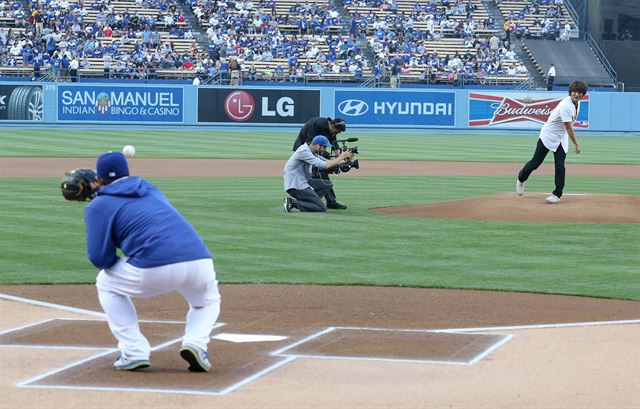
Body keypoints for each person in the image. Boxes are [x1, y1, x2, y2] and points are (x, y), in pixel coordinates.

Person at [85, 152, 221, 371]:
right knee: (207, 301)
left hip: (153, 267)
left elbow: (100, 258)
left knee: (105, 282)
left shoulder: (99, 205)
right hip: (200, 260)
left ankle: (133, 351)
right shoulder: (149, 188)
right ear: (128, 172)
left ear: (99, 179)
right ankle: (196, 343)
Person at [516, 80, 588, 204]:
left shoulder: (577, 103)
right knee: (535, 162)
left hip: (561, 137)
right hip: (548, 135)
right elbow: (568, 127)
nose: (576, 94)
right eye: (574, 92)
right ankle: (521, 179)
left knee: (560, 165)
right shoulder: (566, 105)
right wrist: (576, 144)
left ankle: (557, 194)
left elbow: (567, 127)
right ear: (570, 92)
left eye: (580, 92)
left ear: (583, 94)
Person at [284, 135, 354, 212]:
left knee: (327, 184)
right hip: (296, 186)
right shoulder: (303, 152)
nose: (324, 149)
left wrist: (346, 161)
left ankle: (308, 204)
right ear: (318, 145)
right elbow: (325, 165)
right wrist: (341, 157)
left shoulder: (311, 152)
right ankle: (293, 203)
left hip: (304, 182)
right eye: (324, 147)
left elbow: (326, 161)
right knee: (321, 208)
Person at [292, 117, 348, 209]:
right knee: (318, 173)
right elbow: (309, 142)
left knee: (323, 174)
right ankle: (309, 201)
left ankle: (330, 202)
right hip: (304, 149)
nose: (338, 133)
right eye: (338, 131)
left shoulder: (331, 129)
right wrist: (328, 157)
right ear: (333, 126)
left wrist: (340, 157)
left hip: (316, 150)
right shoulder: (319, 123)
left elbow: (334, 143)